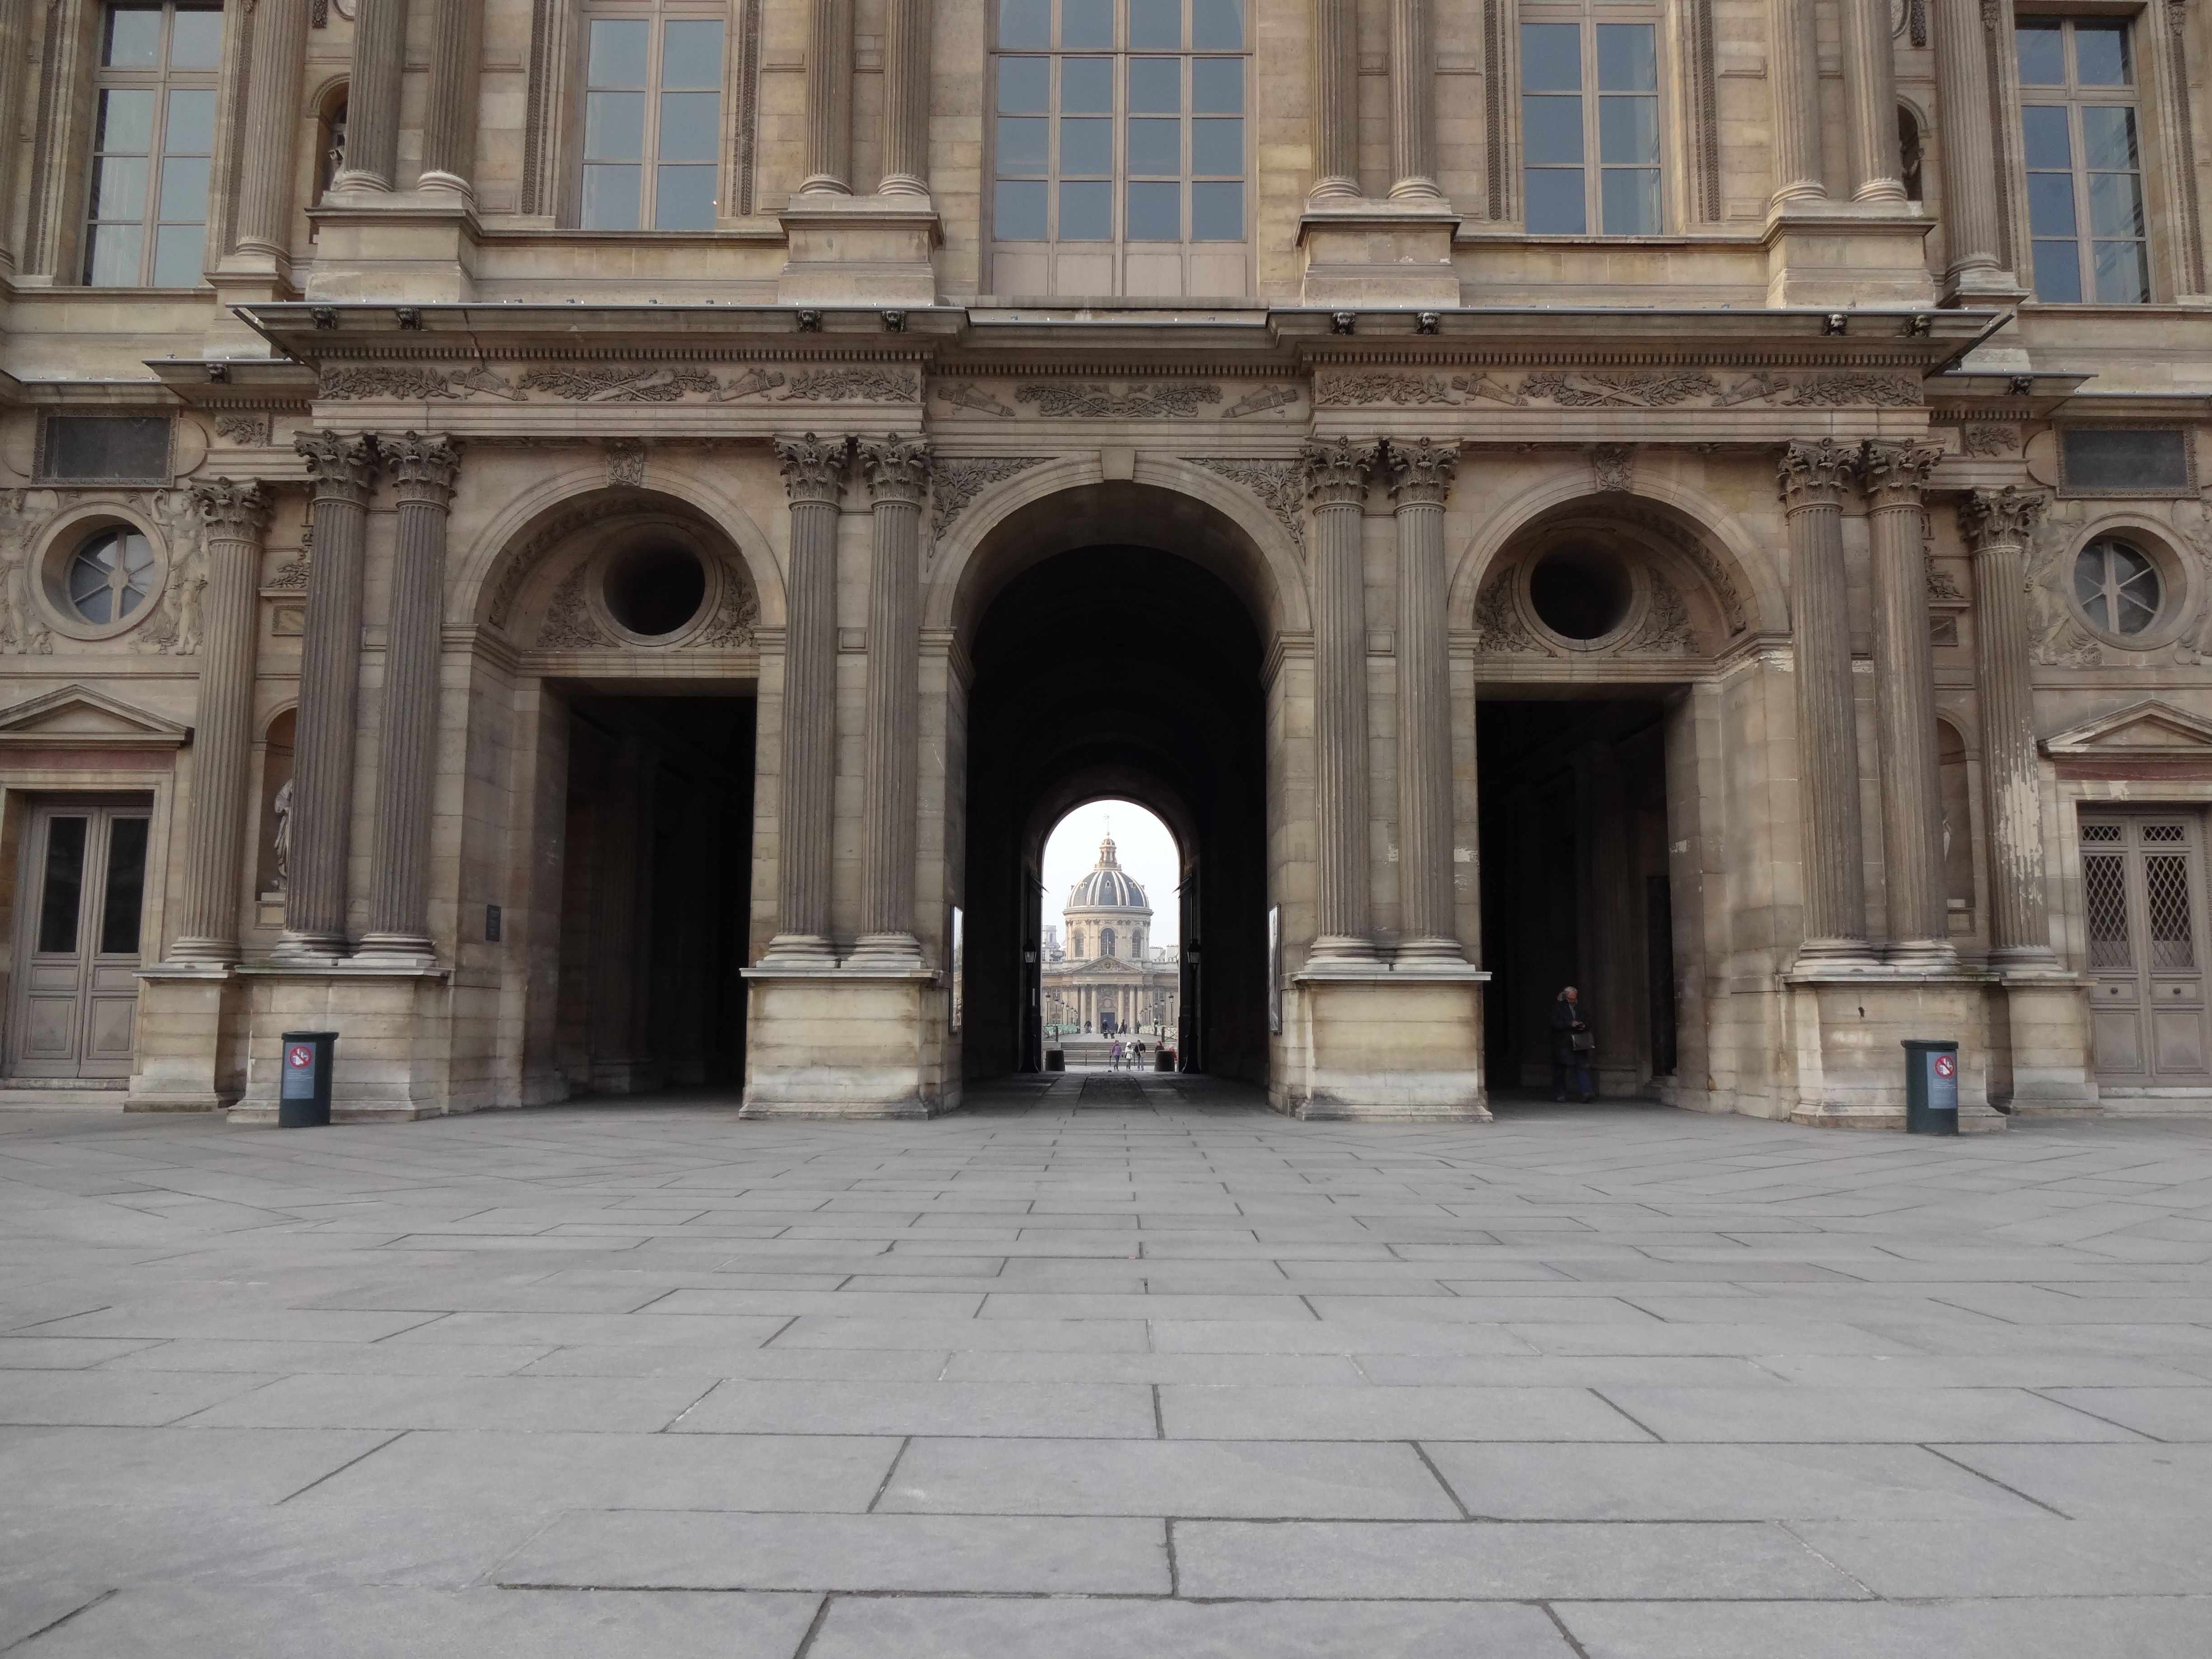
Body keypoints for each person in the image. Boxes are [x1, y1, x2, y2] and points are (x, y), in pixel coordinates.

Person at [1550, 986, 1594, 1102]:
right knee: (1560, 1069)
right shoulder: (1558, 1008)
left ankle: (1587, 1092)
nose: (1573, 1001)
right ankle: (1560, 1094)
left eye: (1574, 999)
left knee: (1582, 1066)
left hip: (1579, 1042)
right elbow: (1554, 1023)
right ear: (1566, 998)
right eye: (1570, 999)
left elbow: (1588, 1021)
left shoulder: (1581, 1008)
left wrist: (1583, 1025)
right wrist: (1570, 1024)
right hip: (1563, 1043)